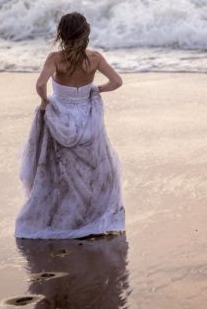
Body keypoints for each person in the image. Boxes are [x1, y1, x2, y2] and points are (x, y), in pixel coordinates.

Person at [14, 12, 125, 239]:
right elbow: (117, 81)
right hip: (87, 117)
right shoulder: (94, 58)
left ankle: (62, 218)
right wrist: (96, 90)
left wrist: (45, 102)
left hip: (61, 117)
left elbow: (40, 84)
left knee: (58, 169)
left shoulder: (55, 59)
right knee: (91, 170)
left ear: (61, 34)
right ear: (86, 33)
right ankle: (89, 216)